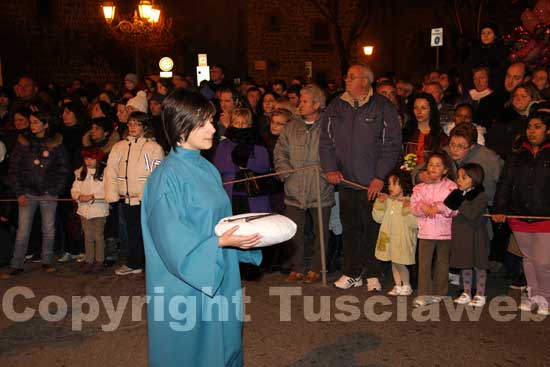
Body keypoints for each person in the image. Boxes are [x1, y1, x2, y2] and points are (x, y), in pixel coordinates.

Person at [141, 89, 262, 366]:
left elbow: (219, 221)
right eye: (204, 122)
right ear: (181, 126)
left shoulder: (207, 168)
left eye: (212, 120)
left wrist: (245, 237)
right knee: (191, 353)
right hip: (186, 287)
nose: (213, 128)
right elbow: (172, 242)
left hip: (220, 275)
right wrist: (220, 244)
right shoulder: (165, 179)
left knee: (226, 345)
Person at [319, 64, 402, 291]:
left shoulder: (383, 108)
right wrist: (330, 168)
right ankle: (352, 272)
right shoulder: (336, 106)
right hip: (346, 182)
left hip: (372, 184)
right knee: (350, 229)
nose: (346, 79)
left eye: (352, 77)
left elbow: (392, 145)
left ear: (365, 81)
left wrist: (379, 176)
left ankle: (373, 273)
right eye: (347, 76)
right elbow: (326, 142)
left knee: (373, 229)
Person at [274, 84, 334, 284]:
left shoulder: (329, 126)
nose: (300, 104)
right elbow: (280, 151)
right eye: (300, 99)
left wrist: (326, 175)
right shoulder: (292, 126)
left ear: (316, 104)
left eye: (305, 100)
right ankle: (297, 266)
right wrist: (286, 173)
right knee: (295, 231)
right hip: (295, 186)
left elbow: (336, 153)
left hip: (320, 187)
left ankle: (317, 267)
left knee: (321, 231)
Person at [492, 112, 550, 316]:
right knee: (528, 258)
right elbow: (505, 183)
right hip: (519, 214)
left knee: (543, 261)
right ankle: (533, 294)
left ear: (548, 130)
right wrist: (499, 208)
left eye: (538, 127)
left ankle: (546, 297)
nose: (532, 131)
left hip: (544, 216)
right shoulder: (516, 155)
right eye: (529, 127)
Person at [2, 111, 69, 279]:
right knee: (23, 231)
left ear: (45, 125)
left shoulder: (55, 144)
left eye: (36, 122)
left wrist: (54, 191)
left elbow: (63, 170)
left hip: (48, 193)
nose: (32, 125)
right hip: (28, 193)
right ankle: (16, 264)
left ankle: (47, 261)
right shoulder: (23, 143)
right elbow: (14, 169)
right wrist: (19, 192)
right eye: (31, 122)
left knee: (48, 229)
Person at [105, 111, 165, 275]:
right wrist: (113, 193)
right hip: (126, 198)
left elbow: (155, 173)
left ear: (145, 127)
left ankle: (153, 264)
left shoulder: (152, 148)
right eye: (130, 123)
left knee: (149, 231)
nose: (132, 127)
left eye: (137, 124)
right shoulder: (120, 147)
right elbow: (111, 170)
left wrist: (146, 195)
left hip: (144, 199)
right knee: (132, 231)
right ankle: (135, 262)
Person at [411, 151, 458, 307]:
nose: (433, 168)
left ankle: (440, 292)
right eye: (430, 164)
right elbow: (413, 207)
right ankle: (423, 293)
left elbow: (454, 208)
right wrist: (422, 207)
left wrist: (438, 208)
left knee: (442, 263)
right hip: (425, 232)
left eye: (438, 165)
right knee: (424, 263)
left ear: (445, 170)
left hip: (444, 232)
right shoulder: (419, 187)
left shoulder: (451, 186)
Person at [444, 163, 489, 307]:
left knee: (479, 264)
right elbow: (448, 205)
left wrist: (459, 199)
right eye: (458, 177)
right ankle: (466, 292)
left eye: (464, 177)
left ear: (474, 178)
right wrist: (457, 197)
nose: (459, 180)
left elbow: (471, 214)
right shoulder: (459, 193)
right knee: (465, 264)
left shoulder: (480, 195)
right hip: (461, 235)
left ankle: (481, 294)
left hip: (476, 236)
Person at [213, 108, 271, 214]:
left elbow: (264, 166)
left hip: (254, 192)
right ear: (232, 124)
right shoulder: (225, 143)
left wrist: (246, 163)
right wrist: (238, 165)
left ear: (249, 125)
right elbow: (219, 166)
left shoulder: (257, 141)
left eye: (244, 123)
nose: (240, 126)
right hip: (231, 191)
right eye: (237, 122)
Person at [372, 170, 417, 296]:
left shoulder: (410, 201)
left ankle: (407, 285)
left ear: (404, 185)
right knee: (393, 262)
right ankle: (398, 285)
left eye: (395, 184)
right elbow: (378, 218)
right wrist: (380, 203)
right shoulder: (388, 201)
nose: (391, 187)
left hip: (403, 239)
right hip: (389, 238)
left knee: (400, 262)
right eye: (389, 184)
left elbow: (415, 224)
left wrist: (407, 208)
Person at [70, 146, 109, 273]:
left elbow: (109, 192)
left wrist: (93, 196)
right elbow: (74, 189)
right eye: (86, 158)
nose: (88, 161)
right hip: (84, 210)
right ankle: (89, 260)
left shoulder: (106, 172)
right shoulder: (80, 172)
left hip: (99, 210)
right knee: (88, 236)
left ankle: (99, 261)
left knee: (98, 236)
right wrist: (79, 196)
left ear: (97, 159)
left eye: (91, 158)